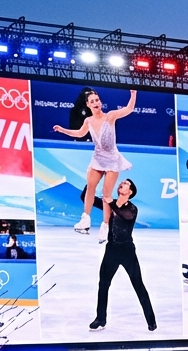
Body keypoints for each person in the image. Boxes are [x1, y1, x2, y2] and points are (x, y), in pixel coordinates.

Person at [51, 89, 138, 241]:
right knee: (90, 187)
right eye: (92, 101)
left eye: (97, 100)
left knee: (106, 195)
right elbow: (79, 133)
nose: (96, 103)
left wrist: (133, 94)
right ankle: (85, 220)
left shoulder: (110, 116)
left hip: (112, 159)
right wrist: (62, 130)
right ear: (88, 105)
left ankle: (105, 226)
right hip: (98, 158)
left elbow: (129, 109)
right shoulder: (88, 121)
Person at [89, 179, 157, 332]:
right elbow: (85, 197)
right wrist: (93, 182)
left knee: (138, 285)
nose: (121, 183)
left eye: (126, 183)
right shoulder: (108, 204)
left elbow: (125, 215)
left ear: (130, 191)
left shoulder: (132, 209)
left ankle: (151, 320)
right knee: (103, 285)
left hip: (127, 251)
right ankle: (100, 318)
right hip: (111, 250)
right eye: (121, 182)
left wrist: (110, 202)